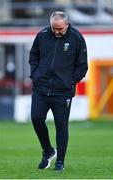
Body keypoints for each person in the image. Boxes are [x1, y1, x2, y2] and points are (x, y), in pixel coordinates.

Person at [29, 11, 88, 172]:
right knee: (36, 118)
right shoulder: (42, 35)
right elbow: (33, 56)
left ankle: (60, 162)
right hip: (41, 88)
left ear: (67, 24)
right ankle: (48, 151)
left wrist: (71, 81)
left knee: (61, 126)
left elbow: (83, 65)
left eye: (60, 29)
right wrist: (35, 75)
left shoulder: (76, 38)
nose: (56, 31)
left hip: (63, 92)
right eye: (54, 28)